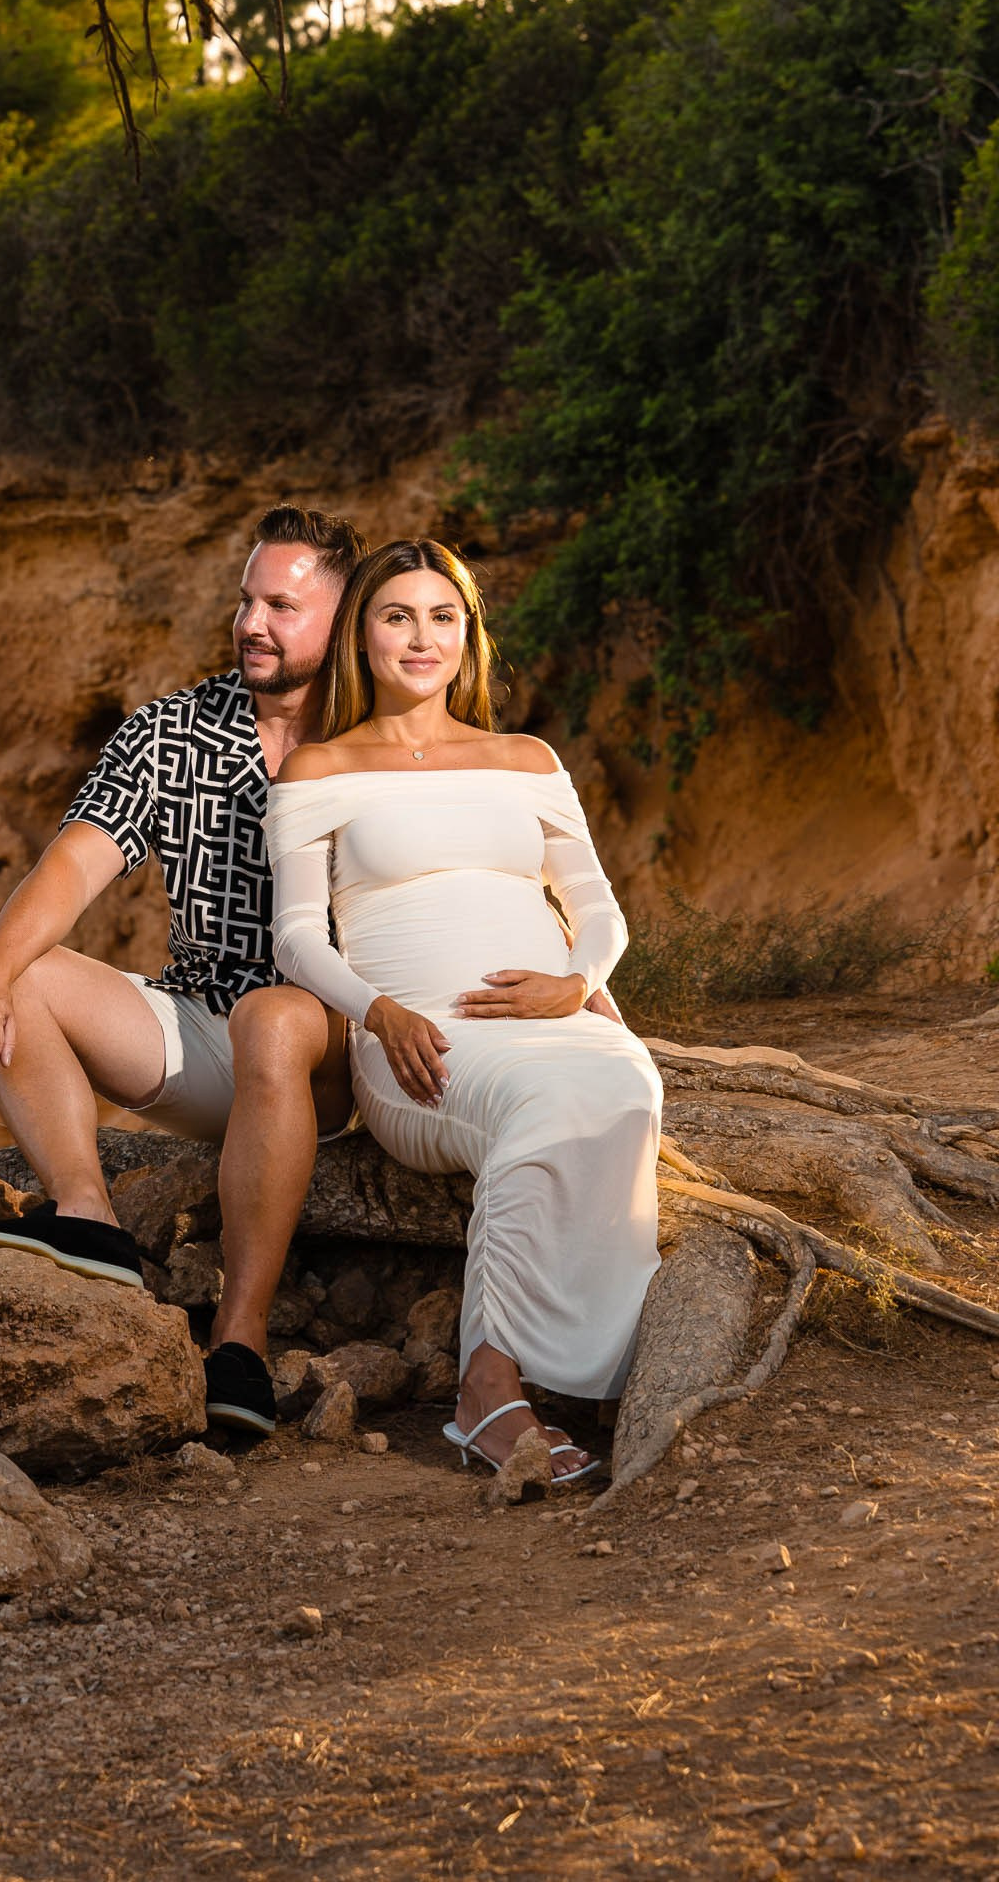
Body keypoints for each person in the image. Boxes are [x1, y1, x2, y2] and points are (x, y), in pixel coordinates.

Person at [0, 503, 363, 1435]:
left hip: (344, 1051)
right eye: (247, 600)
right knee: (29, 972)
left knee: (278, 1017)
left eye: (283, 607)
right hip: (209, 1027)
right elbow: (72, 865)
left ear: (342, 619)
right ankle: (88, 1218)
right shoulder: (173, 730)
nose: (252, 622)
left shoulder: (386, 739)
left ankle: (239, 1340)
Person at [264, 535, 661, 1488]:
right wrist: (380, 1012)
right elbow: (296, 939)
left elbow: (598, 906)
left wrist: (578, 979)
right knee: (537, 1104)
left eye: (443, 616)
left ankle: (590, 1372)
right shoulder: (318, 770)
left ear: (468, 635)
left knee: (629, 1084)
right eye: (397, 615)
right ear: (362, 636)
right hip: (420, 1046)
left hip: (554, 1018)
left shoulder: (524, 759)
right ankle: (488, 1385)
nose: (421, 636)